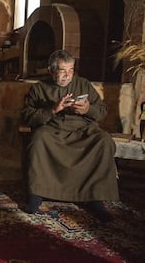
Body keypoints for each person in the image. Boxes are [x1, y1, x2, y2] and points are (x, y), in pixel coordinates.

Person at [21, 49, 119, 222]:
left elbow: (102, 110)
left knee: (104, 141)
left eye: (71, 70)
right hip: (53, 130)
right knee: (38, 140)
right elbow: (27, 116)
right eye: (62, 70)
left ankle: (96, 198)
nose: (68, 75)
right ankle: (36, 194)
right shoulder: (38, 88)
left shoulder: (84, 84)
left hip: (82, 130)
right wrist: (53, 109)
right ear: (51, 71)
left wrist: (88, 109)